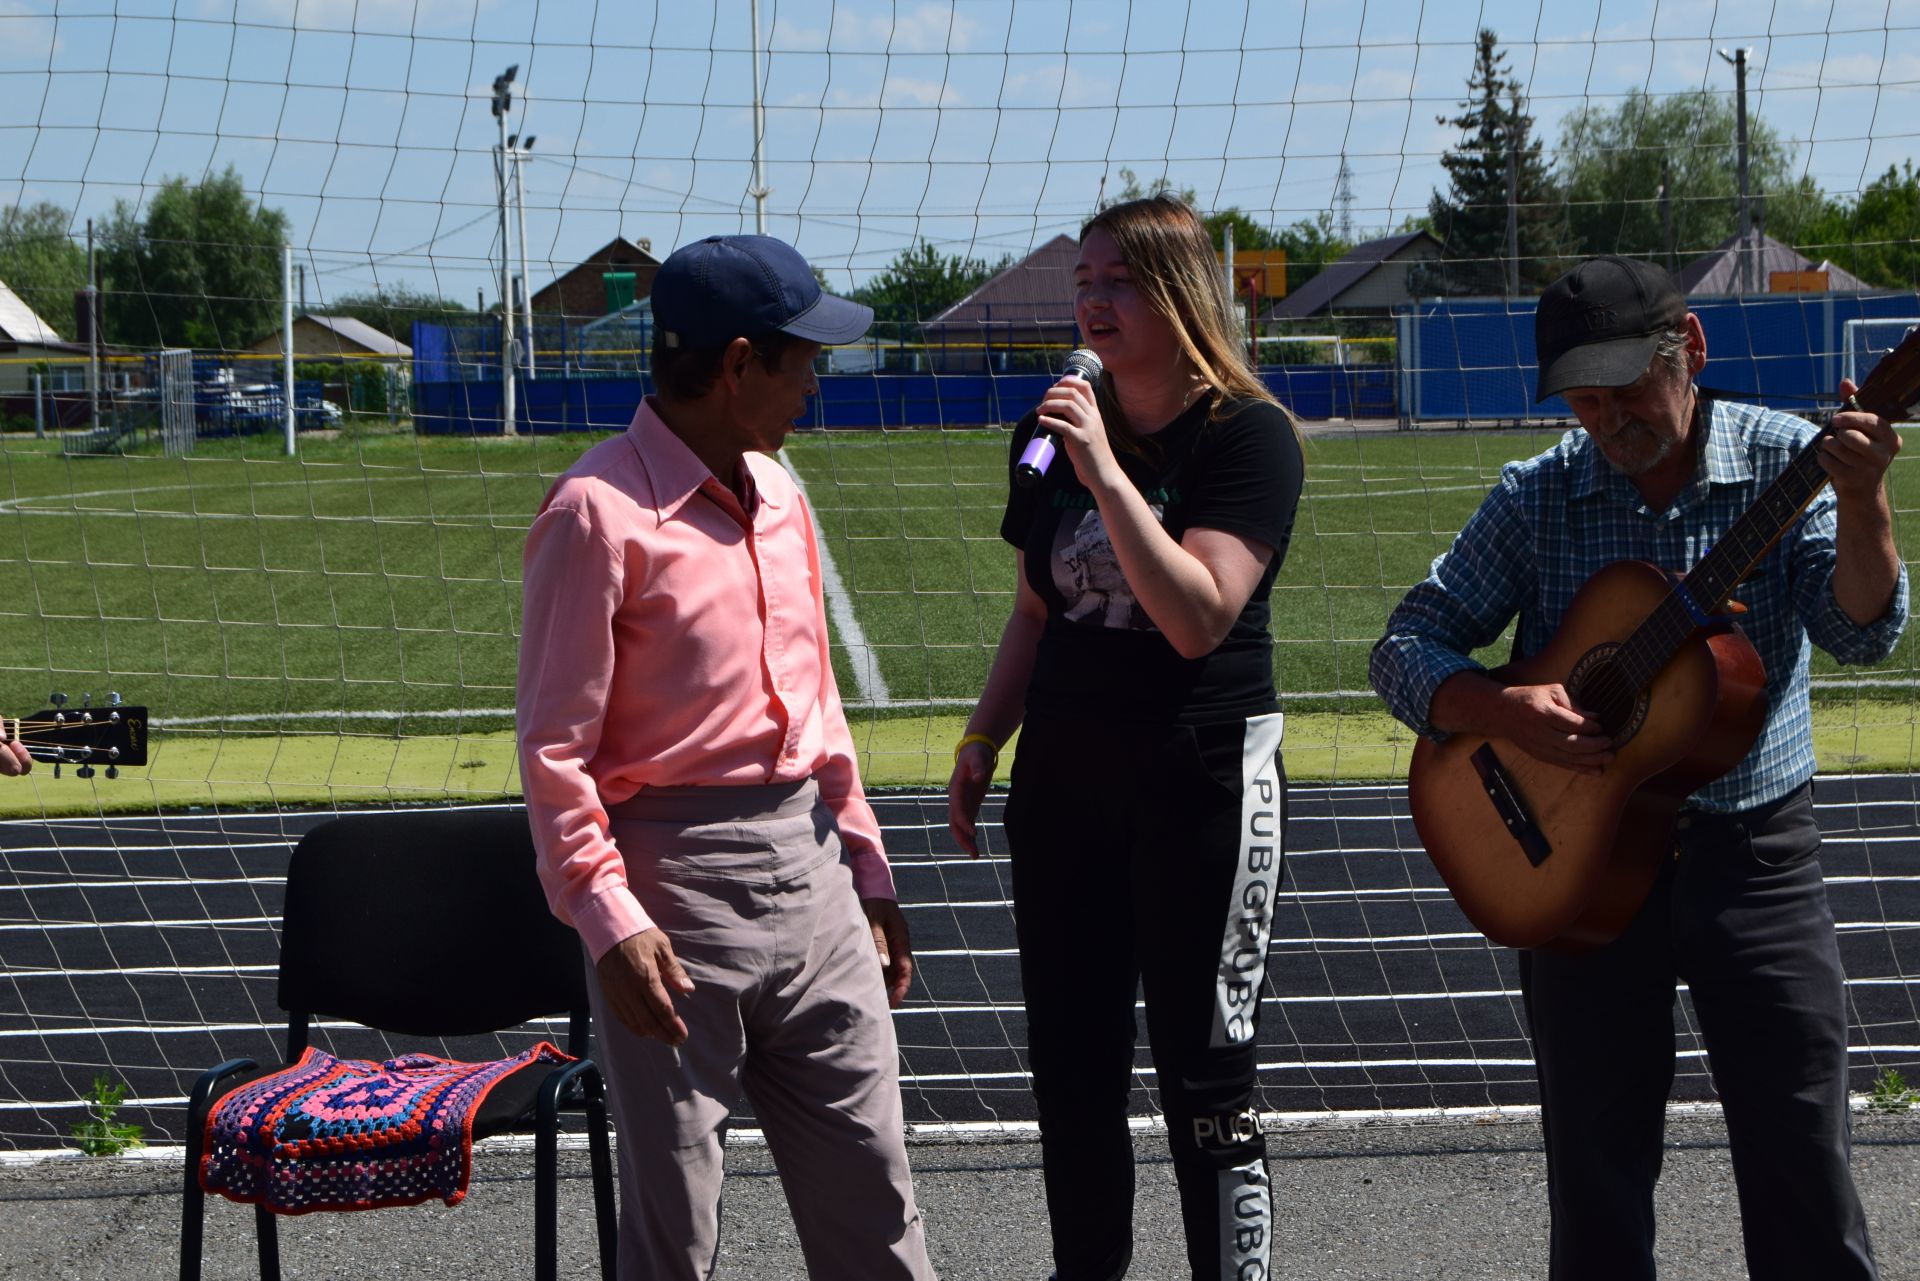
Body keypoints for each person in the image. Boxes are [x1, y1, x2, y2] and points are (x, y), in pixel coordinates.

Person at [1369, 255, 1906, 1280]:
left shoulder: (1787, 464)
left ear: (1690, 351)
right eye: (1584, 398)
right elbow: (1403, 648)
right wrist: (1500, 708)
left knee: (1804, 1165)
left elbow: (1860, 632)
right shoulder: (1540, 496)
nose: (1608, 418)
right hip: (1581, 871)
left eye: (1627, 389)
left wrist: (1867, 502)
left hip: (1755, 862)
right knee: (1597, 1177)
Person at [516, 233, 936, 1281]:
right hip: (675, 897)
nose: (816, 387)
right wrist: (610, 922)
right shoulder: (595, 516)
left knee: (877, 1204)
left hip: (814, 872)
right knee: (675, 1236)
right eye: (805, 362)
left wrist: (868, 869)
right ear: (739, 365)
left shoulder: (784, 496)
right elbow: (554, 750)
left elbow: (819, 709)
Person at [947, 194, 1306, 1281]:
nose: (1092, 301)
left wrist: (1107, 470)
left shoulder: (1247, 436)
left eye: (1118, 281)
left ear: (1179, 294)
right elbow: (1034, 607)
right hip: (1066, 782)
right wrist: (983, 737)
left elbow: (1199, 616)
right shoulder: (1048, 430)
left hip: (1198, 781)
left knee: (1207, 1079)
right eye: (1084, 281)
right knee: (1072, 1071)